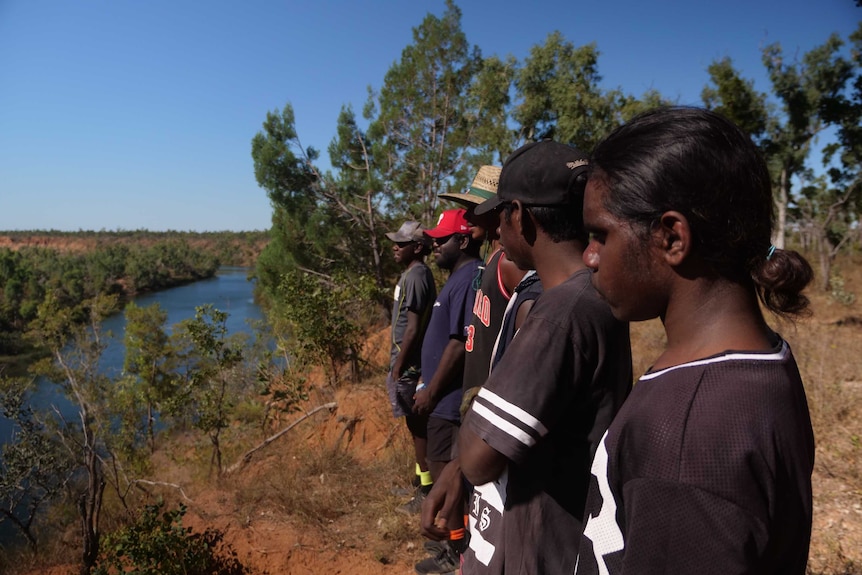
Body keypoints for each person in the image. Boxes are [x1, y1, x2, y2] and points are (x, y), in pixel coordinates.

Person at [574, 107, 815, 574]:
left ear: (671, 237)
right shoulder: (760, 360)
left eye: (600, 234)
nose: (589, 256)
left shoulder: (686, 436)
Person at [424, 140, 633, 575]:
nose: (497, 229)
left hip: (542, 548)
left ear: (519, 215)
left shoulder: (561, 314)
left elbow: (481, 457)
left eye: (501, 215)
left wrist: (468, 435)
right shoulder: (595, 294)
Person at [412, 208, 483, 575]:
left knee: (450, 482)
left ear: (464, 240)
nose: (434, 245)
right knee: (445, 480)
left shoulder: (470, 278)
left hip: (448, 401)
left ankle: (456, 554)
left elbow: (458, 344)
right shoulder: (457, 278)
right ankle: (453, 547)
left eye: (442, 239)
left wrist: (432, 392)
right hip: (441, 400)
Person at [384, 221, 437, 506]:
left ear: (417, 247)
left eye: (401, 243)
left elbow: (414, 328)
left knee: (419, 428)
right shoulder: (412, 274)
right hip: (406, 364)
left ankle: (427, 490)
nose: (395, 246)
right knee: (413, 426)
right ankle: (420, 482)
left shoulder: (416, 276)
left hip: (410, 367)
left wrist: (399, 366)